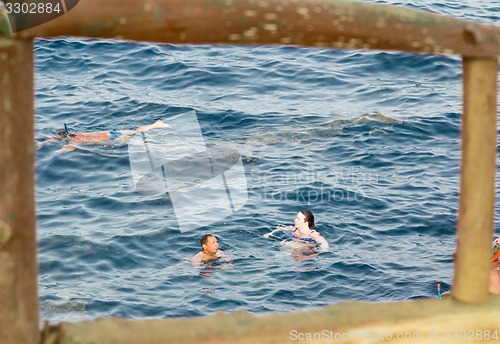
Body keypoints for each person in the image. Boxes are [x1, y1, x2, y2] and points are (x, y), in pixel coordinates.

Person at [36, 119, 170, 151]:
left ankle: (162, 146)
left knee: (141, 145)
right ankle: (156, 124)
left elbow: (64, 149)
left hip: (113, 138)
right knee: (135, 131)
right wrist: (42, 143)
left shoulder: (74, 142)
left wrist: (54, 152)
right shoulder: (77, 135)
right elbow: (54, 138)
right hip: (109, 132)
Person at [263, 210, 329, 252]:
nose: (295, 220)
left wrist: (323, 250)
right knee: (283, 245)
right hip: (295, 248)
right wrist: (270, 233)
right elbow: (281, 228)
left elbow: (323, 242)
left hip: (307, 249)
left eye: (298, 219)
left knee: (290, 244)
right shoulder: (294, 229)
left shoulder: (312, 234)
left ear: (306, 222)